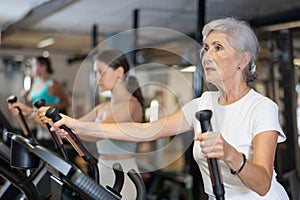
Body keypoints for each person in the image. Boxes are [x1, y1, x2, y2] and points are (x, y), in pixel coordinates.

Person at [44, 18, 289, 199]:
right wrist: (76, 125)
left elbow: (263, 183)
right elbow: (146, 130)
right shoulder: (203, 103)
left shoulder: (261, 107)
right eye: (206, 47)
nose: (207, 55)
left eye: (218, 48)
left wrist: (230, 154)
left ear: (243, 60)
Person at [58, 50, 144, 199]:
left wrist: (67, 127)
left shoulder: (131, 106)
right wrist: (44, 116)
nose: (97, 78)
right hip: (103, 169)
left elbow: (98, 133)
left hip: (123, 173)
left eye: (101, 72)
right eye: (96, 73)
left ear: (119, 71)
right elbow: (77, 124)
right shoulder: (102, 107)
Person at [8, 56, 70, 141]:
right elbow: (30, 105)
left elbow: (66, 103)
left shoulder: (53, 83)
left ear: (43, 67)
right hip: (39, 125)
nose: (32, 68)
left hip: (52, 126)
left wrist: (47, 108)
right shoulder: (35, 82)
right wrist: (24, 96)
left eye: (34, 65)